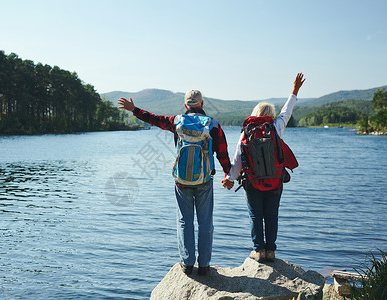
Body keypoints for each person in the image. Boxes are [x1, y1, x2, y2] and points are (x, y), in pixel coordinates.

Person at [118, 90, 231, 275]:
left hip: (181, 181)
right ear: (202, 104)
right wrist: (229, 175)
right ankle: (204, 266)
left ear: (186, 105)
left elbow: (154, 119)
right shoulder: (213, 125)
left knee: (184, 221)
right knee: (205, 223)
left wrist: (134, 109)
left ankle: (187, 263)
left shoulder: (176, 121)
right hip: (205, 181)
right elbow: (223, 153)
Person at [222, 73, 305, 263]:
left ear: (255, 114)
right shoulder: (275, 128)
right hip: (275, 181)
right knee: (272, 216)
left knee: (255, 216)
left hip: (252, 182)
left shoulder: (246, 132)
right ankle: (271, 251)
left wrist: (230, 179)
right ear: (270, 116)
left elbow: (237, 159)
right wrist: (294, 91)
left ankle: (258, 250)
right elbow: (287, 112)